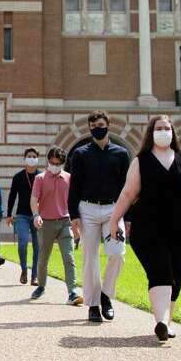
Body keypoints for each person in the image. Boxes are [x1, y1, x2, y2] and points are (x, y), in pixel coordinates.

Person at [109, 116, 181, 342]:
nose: (163, 131)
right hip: (148, 228)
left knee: (177, 274)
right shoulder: (141, 161)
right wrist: (114, 220)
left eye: (167, 128)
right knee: (161, 271)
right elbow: (128, 193)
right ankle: (161, 321)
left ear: (173, 132)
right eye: (159, 128)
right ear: (151, 133)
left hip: (179, 228)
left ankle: (167, 321)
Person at [68, 111, 131, 324]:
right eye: (93, 125)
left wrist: (127, 216)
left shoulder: (121, 154)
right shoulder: (80, 154)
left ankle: (105, 294)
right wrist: (74, 215)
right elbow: (74, 186)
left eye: (101, 124)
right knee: (90, 258)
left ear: (108, 125)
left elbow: (126, 189)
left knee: (117, 253)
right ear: (89, 128)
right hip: (87, 210)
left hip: (114, 210)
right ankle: (93, 305)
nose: (97, 128)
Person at [29, 147, 82, 305]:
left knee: (69, 257)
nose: (53, 166)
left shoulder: (69, 178)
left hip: (65, 221)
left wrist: (76, 224)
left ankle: (72, 292)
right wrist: (36, 215)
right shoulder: (40, 178)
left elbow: (74, 201)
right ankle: (41, 286)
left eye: (57, 164)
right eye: (51, 162)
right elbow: (34, 199)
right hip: (46, 223)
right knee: (43, 258)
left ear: (63, 164)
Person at [6, 148, 42, 284]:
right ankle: (23, 269)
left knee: (37, 246)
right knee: (22, 243)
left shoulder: (41, 176)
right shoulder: (18, 177)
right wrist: (9, 214)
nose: (31, 158)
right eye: (29, 156)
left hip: (37, 215)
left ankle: (35, 275)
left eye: (34, 156)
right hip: (22, 215)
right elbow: (12, 196)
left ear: (37, 159)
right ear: (24, 159)